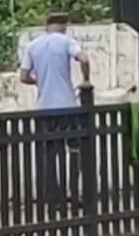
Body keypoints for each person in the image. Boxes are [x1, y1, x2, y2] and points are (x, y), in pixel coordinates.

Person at [20, 11, 91, 205]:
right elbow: (84, 59)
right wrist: (86, 80)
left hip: (44, 108)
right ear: (64, 24)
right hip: (67, 106)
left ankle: (54, 197)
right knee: (74, 151)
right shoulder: (66, 41)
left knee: (50, 153)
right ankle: (74, 194)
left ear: (47, 25)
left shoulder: (32, 45)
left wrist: (39, 82)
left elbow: (23, 76)